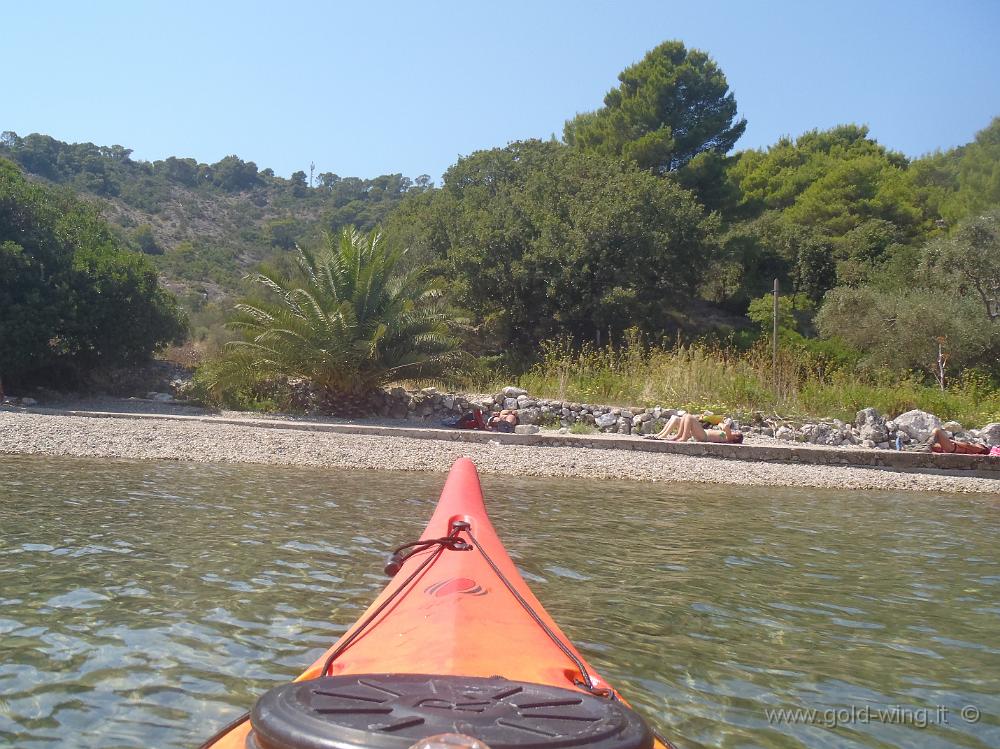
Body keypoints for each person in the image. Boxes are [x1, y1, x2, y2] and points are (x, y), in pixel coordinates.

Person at [650, 413, 743, 443]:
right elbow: (724, 427)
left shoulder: (729, 438)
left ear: (736, 437)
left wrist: (721, 424)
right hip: (701, 433)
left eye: (736, 432)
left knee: (689, 417)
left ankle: (683, 437)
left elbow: (726, 426)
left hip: (704, 436)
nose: (734, 431)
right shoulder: (727, 435)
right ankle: (678, 436)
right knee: (686, 416)